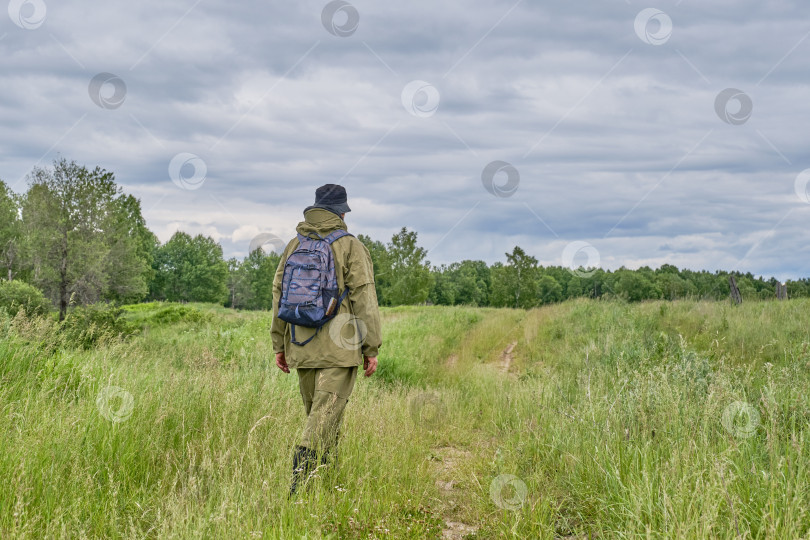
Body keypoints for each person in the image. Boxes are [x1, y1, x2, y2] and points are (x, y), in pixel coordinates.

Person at [271, 183, 382, 497]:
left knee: (321, 419)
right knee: (322, 420)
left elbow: (278, 295)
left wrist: (279, 344)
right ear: (342, 212)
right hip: (340, 347)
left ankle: (321, 490)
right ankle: (298, 491)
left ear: (315, 208)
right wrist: (370, 347)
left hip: (301, 345)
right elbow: (364, 298)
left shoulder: (294, 244)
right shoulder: (350, 245)